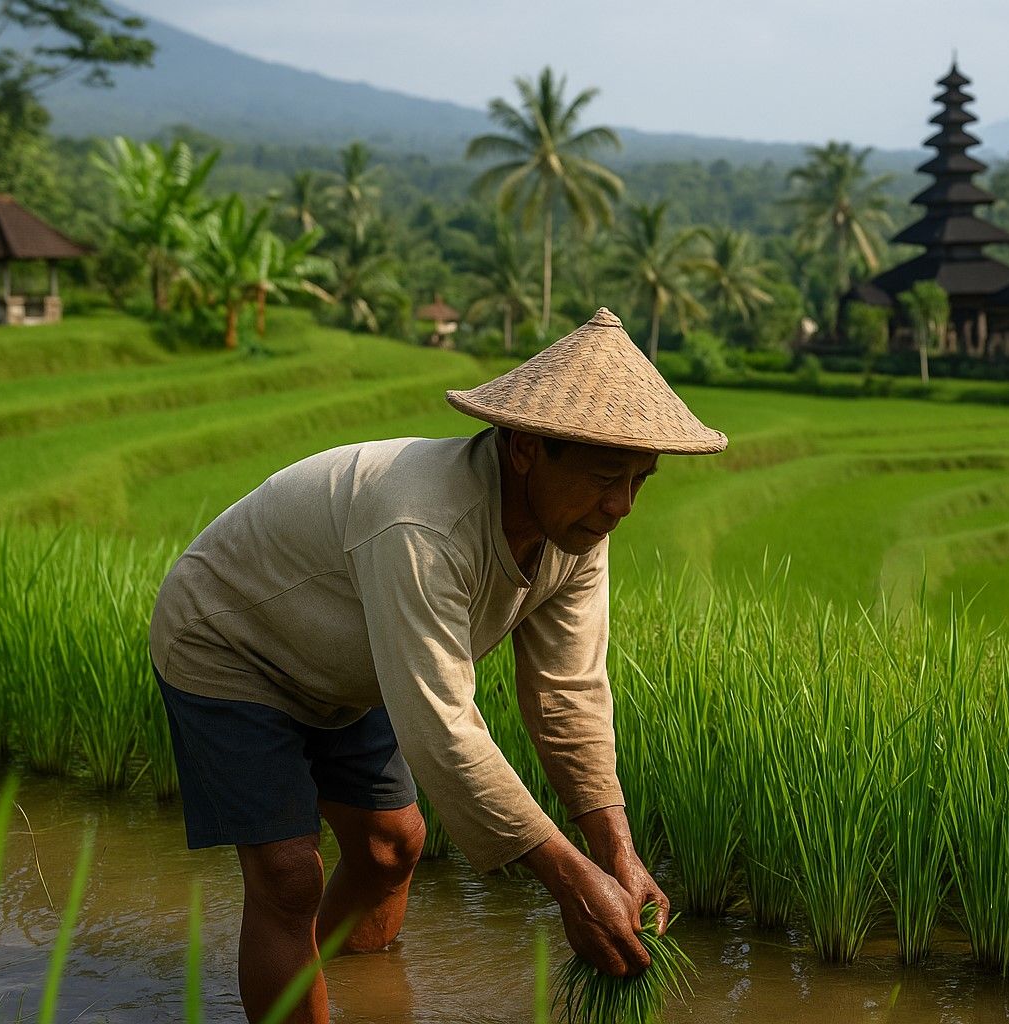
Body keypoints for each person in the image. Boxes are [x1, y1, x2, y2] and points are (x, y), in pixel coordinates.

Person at [147, 308, 727, 1022]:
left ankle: (331, 988)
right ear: (524, 448)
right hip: (231, 644)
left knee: (392, 848)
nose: (622, 506)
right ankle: (291, 973)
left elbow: (567, 693)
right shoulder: (422, 523)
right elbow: (442, 726)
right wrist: (570, 880)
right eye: (607, 477)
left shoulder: (575, 529)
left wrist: (618, 856)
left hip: (348, 662)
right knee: (288, 877)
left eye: (641, 479)